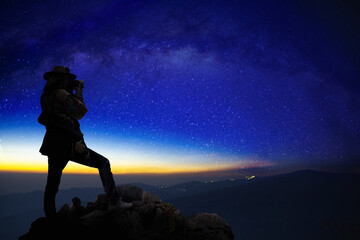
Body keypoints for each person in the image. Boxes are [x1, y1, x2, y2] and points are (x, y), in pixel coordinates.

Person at [38, 66, 131, 219]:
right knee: (103, 163)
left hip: (53, 144)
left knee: (52, 185)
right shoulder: (62, 94)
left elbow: (57, 114)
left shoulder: (45, 96)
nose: (69, 81)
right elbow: (80, 112)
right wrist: (79, 92)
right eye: (67, 79)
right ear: (62, 79)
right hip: (69, 144)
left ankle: (50, 218)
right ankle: (114, 202)